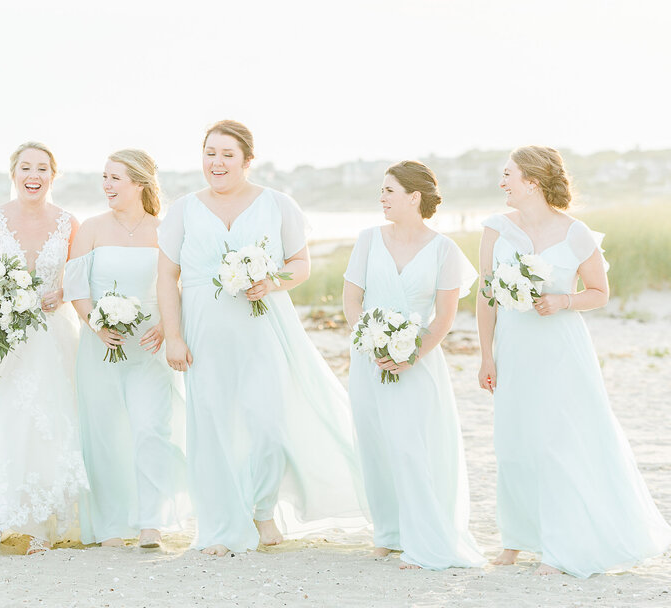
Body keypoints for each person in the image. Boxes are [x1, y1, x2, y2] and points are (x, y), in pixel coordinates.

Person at [157, 120, 366, 556]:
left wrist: (271, 282)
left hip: (262, 327)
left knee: (267, 421)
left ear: (248, 161)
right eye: (209, 153)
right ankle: (218, 524)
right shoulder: (182, 210)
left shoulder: (278, 204)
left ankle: (263, 509)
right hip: (204, 330)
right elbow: (167, 277)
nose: (216, 162)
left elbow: (301, 264)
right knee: (211, 424)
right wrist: (173, 336)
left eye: (227, 154)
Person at [477, 145, 671, 577]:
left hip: (561, 351)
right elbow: (485, 295)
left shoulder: (576, 233)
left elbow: (600, 293)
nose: (502, 182)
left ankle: (557, 545)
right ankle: (515, 540)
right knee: (512, 443)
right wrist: (486, 355)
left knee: (556, 442)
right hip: (513, 348)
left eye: (507, 174)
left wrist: (563, 300)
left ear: (532, 181)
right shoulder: (494, 229)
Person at [342, 161, 484, 570]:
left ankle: (424, 537)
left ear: (413, 197)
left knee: (411, 445)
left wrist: (411, 354)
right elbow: (352, 299)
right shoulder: (368, 240)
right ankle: (388, 534)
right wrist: (368, 337)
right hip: (368, 358)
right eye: (381, 191)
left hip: (417, 363)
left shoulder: (445, 250)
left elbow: (443, 318)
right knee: (375, 444)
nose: (382, 198)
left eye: (389, 190)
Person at [0, 142, 87, 554]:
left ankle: (38, 524)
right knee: (2, 419)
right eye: (26, 167)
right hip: (7, 336)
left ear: (54, 175)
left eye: (43, 168)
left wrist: (62, 292)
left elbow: (81, 279)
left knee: (48, 423)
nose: (34, 175)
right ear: (13, 173)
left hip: (53, 336)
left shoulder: (70, 223)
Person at [65, 149, 189, 550]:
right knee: (104, 434)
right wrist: (95, 323)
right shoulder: (91, 229)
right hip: (100, 349)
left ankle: (151, 521)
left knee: (151, 429)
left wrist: (167, 325)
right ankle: (111, 526)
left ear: (139, 183)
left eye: (115, 178)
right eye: (104, 177)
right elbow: (76, 287)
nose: (107, 186)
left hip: (149, 348)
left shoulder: (165, 230)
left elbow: (181, 284)